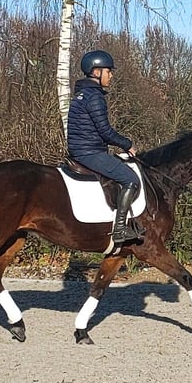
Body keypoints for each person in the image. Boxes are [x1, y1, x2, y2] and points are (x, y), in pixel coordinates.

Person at [67, 50, 143, 244]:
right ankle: (119, 230)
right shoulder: (94, 97)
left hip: (81, 149)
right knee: (131, 179)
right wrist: (127, 145)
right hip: (89, 152)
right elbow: (105, 131)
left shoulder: (81, 94)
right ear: (97, 72)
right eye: (109, 71)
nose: (111, 75)